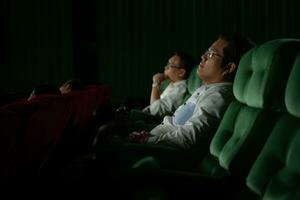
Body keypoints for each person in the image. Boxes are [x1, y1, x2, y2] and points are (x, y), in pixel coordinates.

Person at [128, 33, 255, 149]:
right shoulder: (206, 89)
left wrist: (149, 141)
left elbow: (189, 137)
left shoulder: (219, 96)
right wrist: (149, 135)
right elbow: (173, 123)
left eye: (211, 54)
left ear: (229, 67)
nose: (203, 56)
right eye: (206, 52)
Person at [142, 51, 196, 118]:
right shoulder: (173, 84)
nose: (165, 67)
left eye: (170, 65)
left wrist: (155, 84)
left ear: (181, 72)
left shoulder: (179, 89)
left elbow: (155, 110)